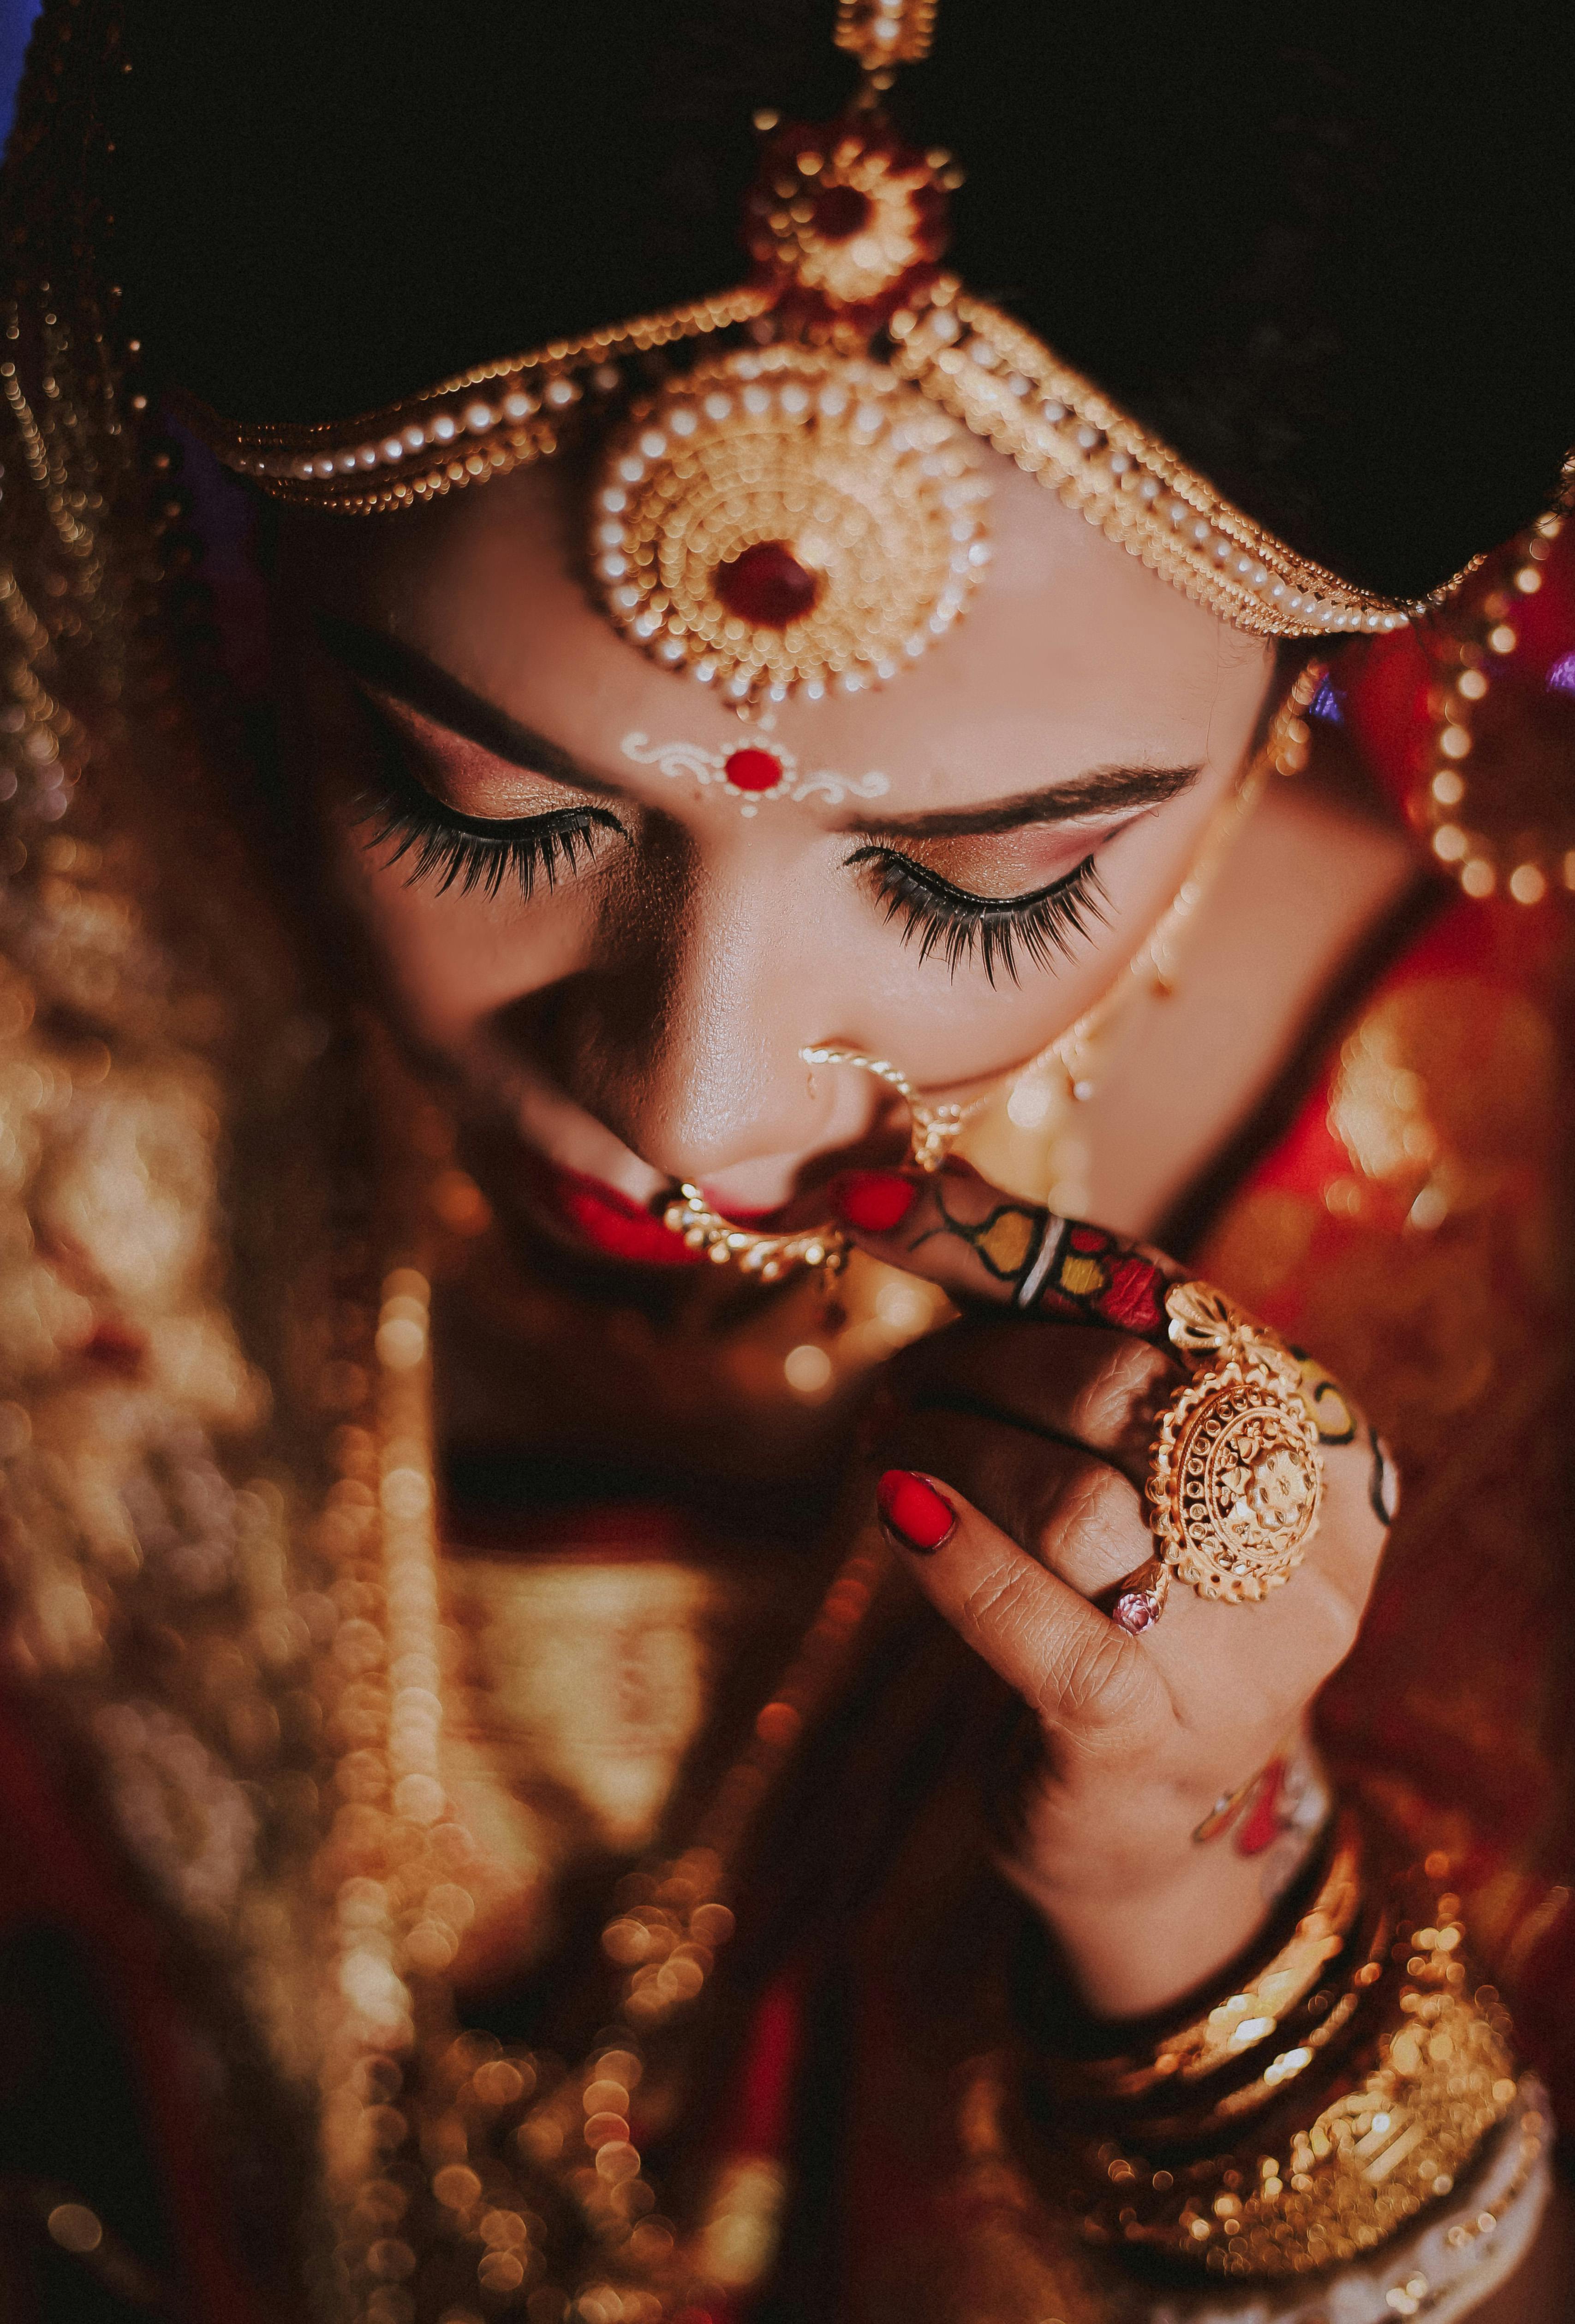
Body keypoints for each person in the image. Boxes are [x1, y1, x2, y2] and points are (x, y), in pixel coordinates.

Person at [0, 2, 1571, 2317]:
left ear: (1291, 706)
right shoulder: (70, 979)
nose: (692, 1102)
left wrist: (1197, 1897)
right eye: (485, 805)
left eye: (978, 884)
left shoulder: (1495, 1208)